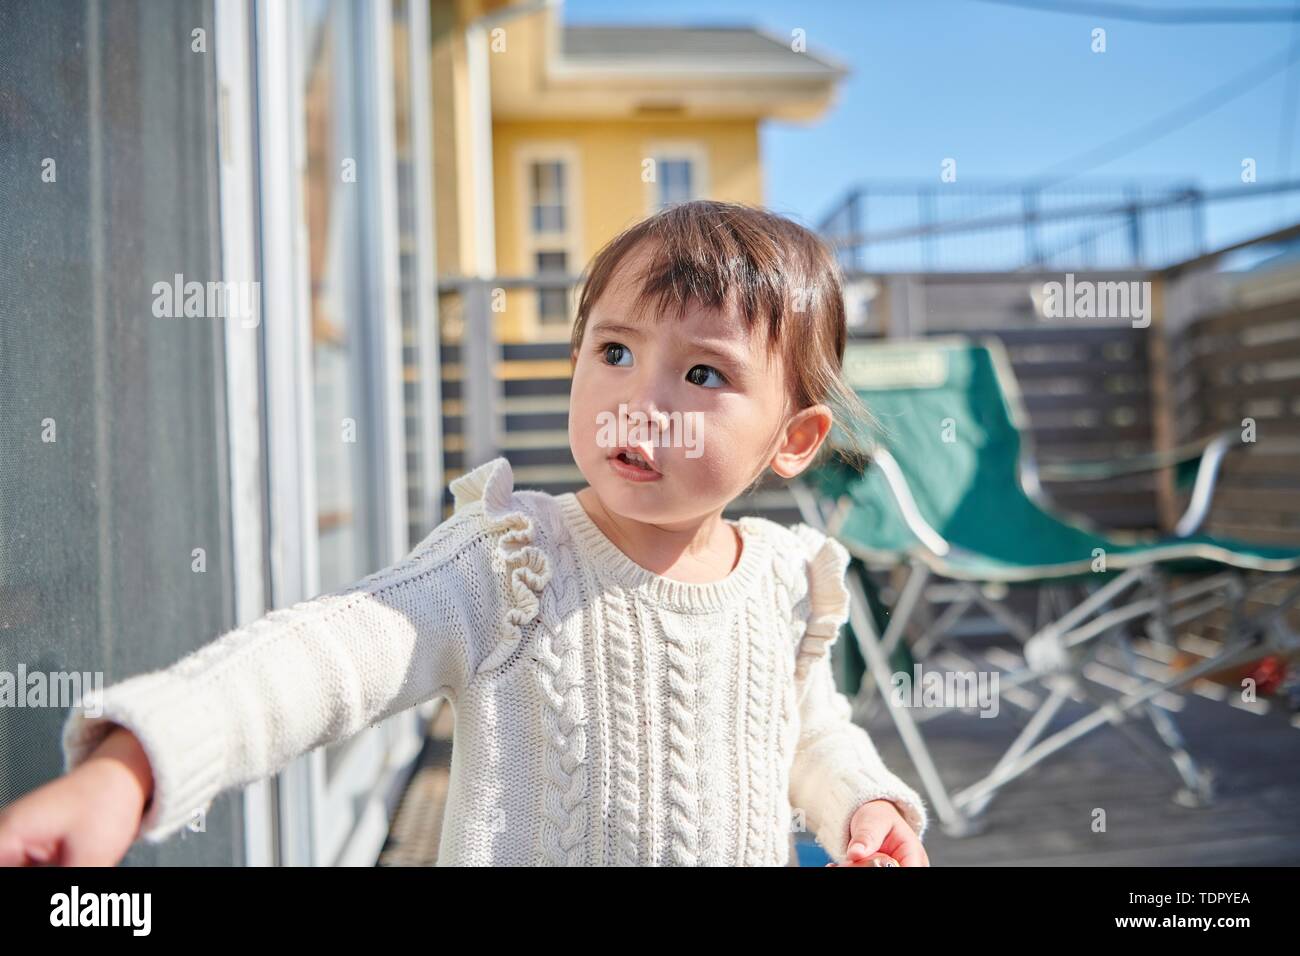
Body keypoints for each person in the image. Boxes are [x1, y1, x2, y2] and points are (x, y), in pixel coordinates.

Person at [0, 199, 930, 867]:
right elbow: (333, 651)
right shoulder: (511, 564)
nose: (639, 403)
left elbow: (807, 736)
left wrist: (863, 803)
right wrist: (135, 763)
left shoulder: (779, 578)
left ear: (795, 439)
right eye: (614, 352)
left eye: (702, 375)